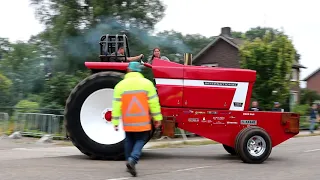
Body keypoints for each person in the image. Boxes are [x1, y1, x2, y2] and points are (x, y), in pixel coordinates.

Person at [111, 61, 163, 177]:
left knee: (129, 139)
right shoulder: (147, 84)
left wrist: (115, 121)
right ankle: (132, 160)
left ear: (129, 70)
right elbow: (154, 103)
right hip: (143, 120)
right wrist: (157, 118)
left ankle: (128, 160)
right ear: (139, 70)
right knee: (140, 140)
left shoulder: (120, 85)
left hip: (128, 121)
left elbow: (116, 105)